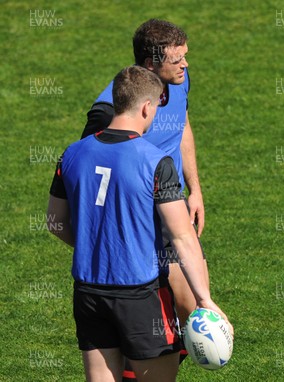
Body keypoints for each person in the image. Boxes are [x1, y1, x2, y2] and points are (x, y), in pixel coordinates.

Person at [47, 66, 230, 382]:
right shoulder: (155, 161)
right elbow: (183, 236)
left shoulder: (72, 154)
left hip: (89, 294)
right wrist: (204, 300)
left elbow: (55, 222)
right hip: (140, 296)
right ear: (146, 107)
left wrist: (92, 245)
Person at [81, 19, 206, 379]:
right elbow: (91, 163)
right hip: (134, 217)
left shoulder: (178, 81)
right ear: (150, 65)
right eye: (177, 60)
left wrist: (194, 188)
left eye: (186, 57)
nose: (185, 65)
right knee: (148, 310)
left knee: (191, 309)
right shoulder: (107, 111)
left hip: (172, 203)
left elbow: (182, 125)